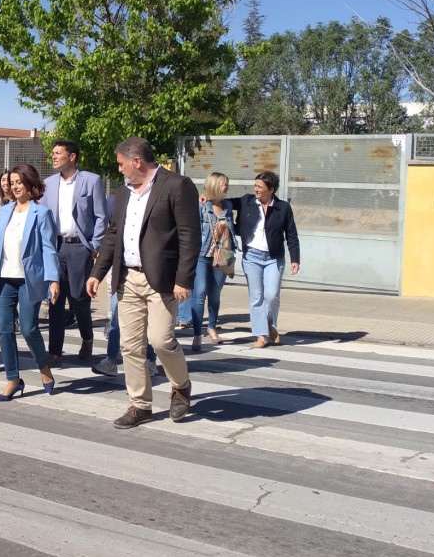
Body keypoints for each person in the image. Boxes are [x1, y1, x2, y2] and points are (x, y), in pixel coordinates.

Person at [86, 138, 198, 429]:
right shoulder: (123, 194)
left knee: (161, 340)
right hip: (127, 278)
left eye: (121, 163)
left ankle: (181, 386)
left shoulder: (176, 185)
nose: (118, 169)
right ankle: (140, 405)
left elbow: (189, 237)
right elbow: (113, 236)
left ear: (137, 162)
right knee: (130, 346)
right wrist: (98, 273)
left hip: (161, 279)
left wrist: (183, 279)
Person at [0, 164, 60, 401]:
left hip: (28, 280)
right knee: (4, 329)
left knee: (28, 328)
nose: (14, 186)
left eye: (19, 182)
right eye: (12, 182)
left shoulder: (41, 213)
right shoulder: (5, 211)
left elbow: (49, 248)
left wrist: (53, 279)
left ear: (31, 185)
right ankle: (13, 379)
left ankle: (44, 368)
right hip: (4, 279)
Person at [40, 140, 107, 366]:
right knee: (55, 299)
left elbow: (100, 215)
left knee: (79, 298)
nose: (54, 156)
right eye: (53, 153)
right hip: (55, 246)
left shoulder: (91, 180)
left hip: (80, 247)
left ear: (72, 157)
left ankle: (87, 336)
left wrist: (94, 245)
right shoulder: (48, 184)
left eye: (58, 153)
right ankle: (55, 351)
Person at [92, 192, 160, 379]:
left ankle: (150, 360)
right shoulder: (117, 198)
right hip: (121, 268)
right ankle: (111, 360)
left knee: (147, 321)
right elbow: (111, 233)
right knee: (115, 317)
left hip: (148, 270)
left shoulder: (153, 197)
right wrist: (97, 273)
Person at [230, 170, 300, 348]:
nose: (256, 189)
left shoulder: (283, 208)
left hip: (274, 258)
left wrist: (295, 259)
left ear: (271, 189)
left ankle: (269, 325)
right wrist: (207, 196)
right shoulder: (247, 201)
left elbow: (291, 234)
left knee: (271, 296)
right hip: (252, 256)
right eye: (255, 185)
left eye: (260, 187)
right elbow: (225, 202)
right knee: (256, 297)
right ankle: (261, 335)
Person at [190, 172, 236, 350]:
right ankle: (196, 334)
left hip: (221, 256)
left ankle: (212, 327)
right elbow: (192, 229)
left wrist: (226, 231)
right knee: (200, 292)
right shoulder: (202, 205)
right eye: (225, 184)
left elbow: (231, 230)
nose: (227, 187)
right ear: (216, 185)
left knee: (215, 294)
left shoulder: (228, 206)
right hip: (202, 255)